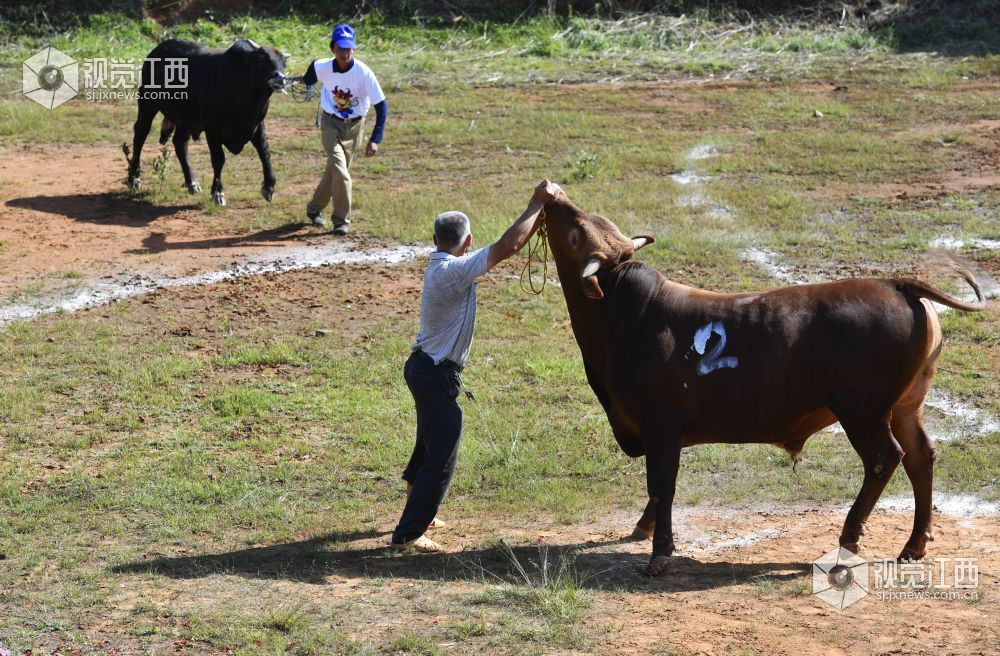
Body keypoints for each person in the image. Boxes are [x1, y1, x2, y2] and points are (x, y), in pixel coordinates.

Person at [392, 179, 562, 553]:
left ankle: (418, 511)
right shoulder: (453, 271)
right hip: (434, 373)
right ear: (467, 242)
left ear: (435, 239)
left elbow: (508, 245)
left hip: (424, 369)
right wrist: (536, 202)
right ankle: (409, 534)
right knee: (442, 453)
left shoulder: (441, 266)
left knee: (428, 440)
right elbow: (508, 246)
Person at [300, 24, 387, 235]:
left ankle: (313, 209)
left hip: (356, 126)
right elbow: (310, 74)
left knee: (335, 172)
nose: (345, 52)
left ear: (354, 50)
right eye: (341, 48)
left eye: (349, 48)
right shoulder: (323, 66)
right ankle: (341, 221)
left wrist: (375, 138)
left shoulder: (364, 73)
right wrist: (303, 80)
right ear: (333, 49)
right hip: (330, 123)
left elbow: (381, 106)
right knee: (341, 171)